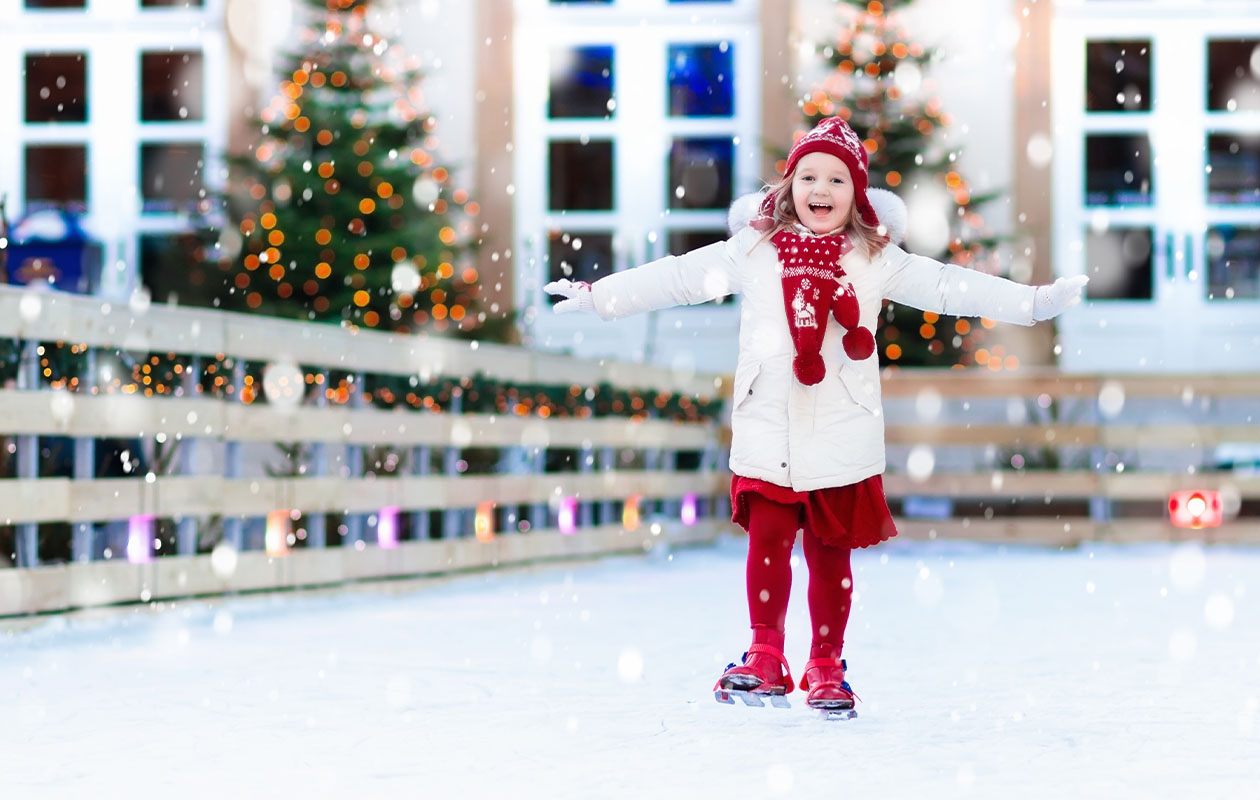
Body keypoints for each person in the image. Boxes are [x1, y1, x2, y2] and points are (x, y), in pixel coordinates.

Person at [544, 116, 1087, 714]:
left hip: (840, 429)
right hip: (768, 425)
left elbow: (949, 287)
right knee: (769, 545)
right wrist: (601, 298)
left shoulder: (875, 259)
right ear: (788, 187)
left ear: (857, 194)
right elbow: (678, 278)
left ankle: (826, 665)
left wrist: (1032, 304)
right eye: (808, 176)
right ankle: (766, 654)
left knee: (830, 555)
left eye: (835, 178)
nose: (820, 189)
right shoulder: (753, 250)